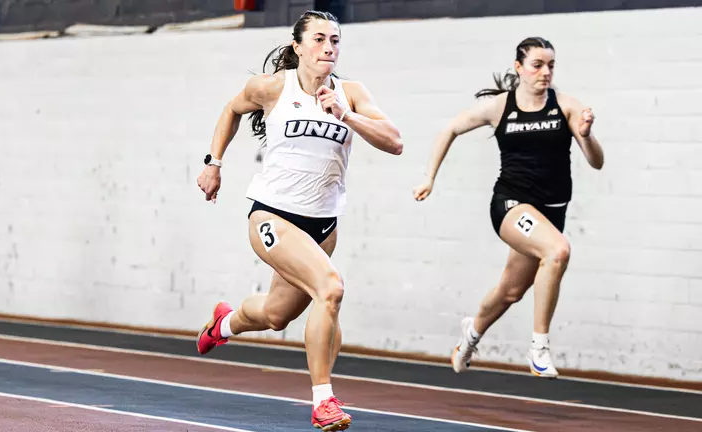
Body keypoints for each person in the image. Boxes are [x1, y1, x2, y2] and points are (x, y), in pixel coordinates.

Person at [196, 10, 403, 430]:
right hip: (272, 216)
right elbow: (231, 110)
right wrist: (213, 163)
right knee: (330, 288)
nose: (329, 48)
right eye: (320, 39)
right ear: (298, 47)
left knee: (276, 316)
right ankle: (323, 400)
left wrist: (346, 114)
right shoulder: (272, 87)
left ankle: (224, 323)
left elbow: (395, 142)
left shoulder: (352, 93)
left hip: (322, 227)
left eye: (336, 41)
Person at [413, 37, 604, 379]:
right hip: (511, 205)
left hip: (551, 211)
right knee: (558, 251)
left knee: (511, 291)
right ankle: (539, 348)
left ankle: (470, 335)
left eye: (550, 66)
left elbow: (597, 162)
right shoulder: (501, 107)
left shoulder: (566, 106)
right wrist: (429, 177)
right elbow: (450, 128)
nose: (545, 72)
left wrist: (587, 135)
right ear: (519, 68)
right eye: (537, 65)